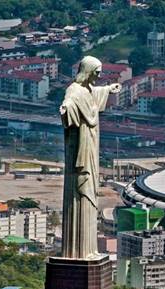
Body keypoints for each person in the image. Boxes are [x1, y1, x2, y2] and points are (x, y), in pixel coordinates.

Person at [59, 56, 121, 259]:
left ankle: (88, 250)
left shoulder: (86, 89)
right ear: (88, 71)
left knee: (90, 194)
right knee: (80, 193)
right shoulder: (74, 90)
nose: (99, 76)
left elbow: (93, 93)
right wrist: (66, 109)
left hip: (91, 144)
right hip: (81, 148)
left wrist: (108, 89)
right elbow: (69, 101)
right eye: (97, 72)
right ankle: (77, 252)